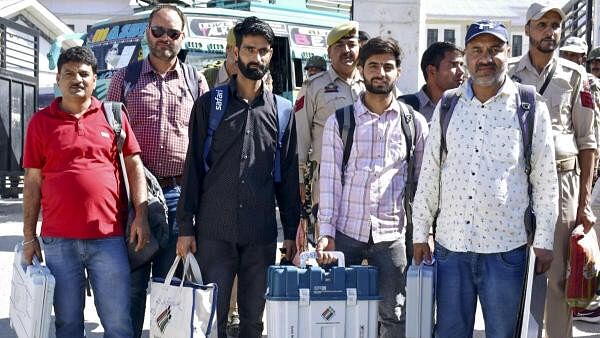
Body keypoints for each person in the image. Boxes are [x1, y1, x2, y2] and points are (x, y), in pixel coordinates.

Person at [413, 20, 558, 337]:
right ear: (466, 56)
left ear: (509, 53)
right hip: (452, 250)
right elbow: (431, 173)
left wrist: (545, 240)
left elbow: (546, 180)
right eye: (477, 50)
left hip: (507, 251)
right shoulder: (449, 104)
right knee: (449, 332)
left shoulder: (529, 105)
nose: (485, 58)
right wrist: (421, 232)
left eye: (495, 50)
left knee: (505, 333)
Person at [176, 16, 300, 338]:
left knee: (253, 323)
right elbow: (193, 169)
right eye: (249, 49)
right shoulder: (210, 105)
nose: (255, 58)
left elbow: (287, 177)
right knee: (210, 320)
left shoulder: (283, 112)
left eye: (262, 51)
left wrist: (291, 231)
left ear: (271, 54)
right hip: (213, 232)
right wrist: (185, 227)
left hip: (259, 236)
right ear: (235, 52)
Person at [22, 46, 148, 337]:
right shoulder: (40, 123)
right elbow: (32, 182)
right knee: (67, 324)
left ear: (94, 79)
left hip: (109, 239)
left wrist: (140, 215)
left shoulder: (112, 117)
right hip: (59, 241)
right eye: (69, 73)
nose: (76, 79)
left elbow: (134, 165)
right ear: (58, 79)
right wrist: (29, 236)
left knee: (118, 324)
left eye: (83, 73)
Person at [105, 5, 209, 337]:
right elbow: (108, 137)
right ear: (147, 32)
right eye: (158, 31)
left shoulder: (196, 81)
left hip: (180, 196)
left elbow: (208, 143)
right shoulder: (126, 78)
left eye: (173, 33)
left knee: (170, 288)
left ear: (183, 36)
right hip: (135, 197)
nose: (165, 38)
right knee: (132, 287)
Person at [317, 37, 428, 337]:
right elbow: (328, 181)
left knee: (395, 315)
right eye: (373, 66)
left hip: (392, 235)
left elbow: (423, 184)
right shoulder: (340, 121)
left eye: (388, 67)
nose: (380, 72)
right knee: (337, 312)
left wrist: (423, 234)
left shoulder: (414, 123)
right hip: (346, 233)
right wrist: (326, 234)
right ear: (362, 71)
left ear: (398, 72)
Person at [508, 4, 597, 336]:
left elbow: (589, 142)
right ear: (528, 30)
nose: (550, 32)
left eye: (555, 26)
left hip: (563, 185)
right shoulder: (509, 76)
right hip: (519, 187)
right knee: (516, 275)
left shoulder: (576, 77)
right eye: (542, 25)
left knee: (560, 279)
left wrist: (584, 203)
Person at [295, 21, 365, 212]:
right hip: (326, 181)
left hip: (364, 183)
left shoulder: (371, 85)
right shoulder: (313, 86)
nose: (347, 50)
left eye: (351, 44)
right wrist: (300, 180)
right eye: (340, 45)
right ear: (329, 52)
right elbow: (300, 136)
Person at [399, 41, 465, 122]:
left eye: (461, 65)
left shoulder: (466, 107)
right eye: (453, 65)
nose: (461, 71)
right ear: (431, 71)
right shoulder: (404, 107)